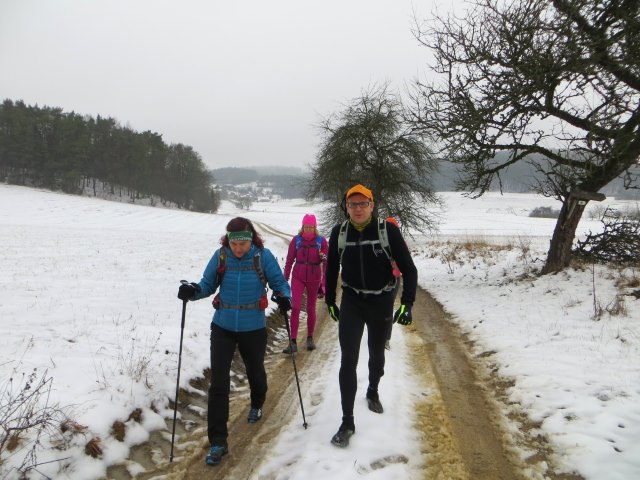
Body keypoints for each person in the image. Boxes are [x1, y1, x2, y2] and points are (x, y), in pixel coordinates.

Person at [177, 217, 292, 466]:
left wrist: (283, 296)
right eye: (234, 243)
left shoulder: (263, 256)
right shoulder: (221, 257)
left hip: (253, 327)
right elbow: (207, 285)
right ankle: (218, 441)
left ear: (251, 239)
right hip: (223, 327)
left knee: (255, 372)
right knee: (218, 383)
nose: (238, 248)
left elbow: (279, 283)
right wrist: (192, 291)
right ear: (228, 240)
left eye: (242, 243)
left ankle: (257, 401)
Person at [324, 184, 417, 448]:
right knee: (348, 360)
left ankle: (373, 390)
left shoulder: (388, 231)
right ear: (347, 208)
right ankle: (347, 421)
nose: (358, 209)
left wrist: (407, 303)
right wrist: (330, 300)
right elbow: (331, 268)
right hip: (352, 300)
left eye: (362, 203)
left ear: (372, 205)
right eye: (352, 204)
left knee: (377, 353)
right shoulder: (339, 232)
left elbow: (409, 270)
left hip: (381, 301)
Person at [282, 214, 328, 353]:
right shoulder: (296, 240)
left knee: (310, 308)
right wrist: (284, 280)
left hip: (314, 278)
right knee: (295, 307)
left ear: (315, 227)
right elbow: (289, 260)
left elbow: (327, 264)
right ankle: (293, 341)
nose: (308, 229)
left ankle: (309, 338)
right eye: (306, 226)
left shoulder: (322, 241)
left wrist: (324, 284)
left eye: (311, 227)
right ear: (302, 227)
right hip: (298, 276)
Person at [384, 216, 402, 351]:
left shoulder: (401, 244)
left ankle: (386, 339)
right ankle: (377, 334)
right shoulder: (378, 243)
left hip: (394, 279)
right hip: (379, 280)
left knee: (388, 308)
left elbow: (406, 263)